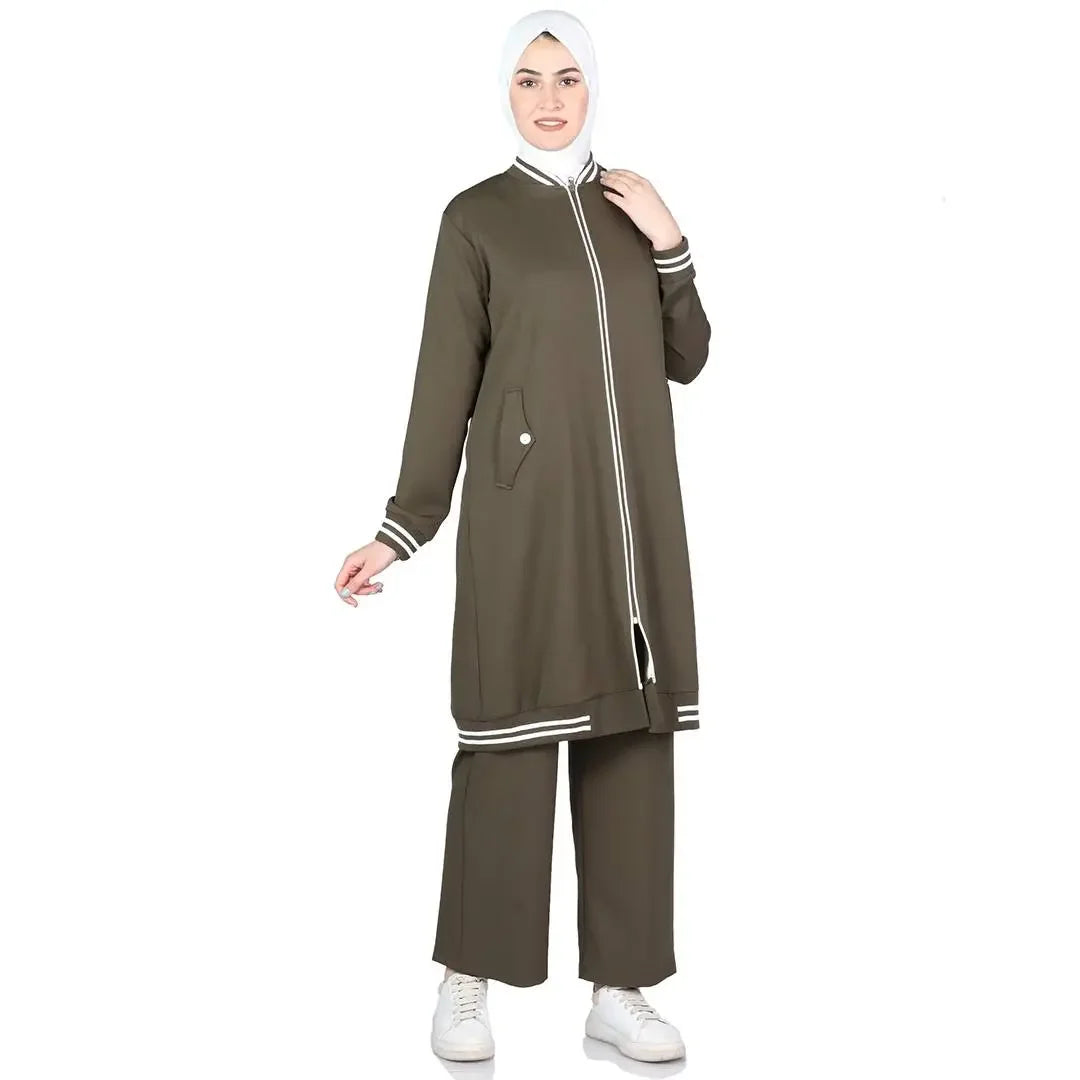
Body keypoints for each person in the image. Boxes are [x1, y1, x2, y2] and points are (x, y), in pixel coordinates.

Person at [334, 8, 711, 1066]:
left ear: (593, 87)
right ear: (506, 92)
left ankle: (621, 991)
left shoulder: (631, 207)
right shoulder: (477, 219)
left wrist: (671, 243)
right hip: (527, 524)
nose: (549, 99)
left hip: (631, 530)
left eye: (568, 79)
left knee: (630, 741)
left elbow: (689, 355)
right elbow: (443, 380)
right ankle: (468, 978)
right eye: (530, 80)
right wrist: (403, 525)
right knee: (507, 739)